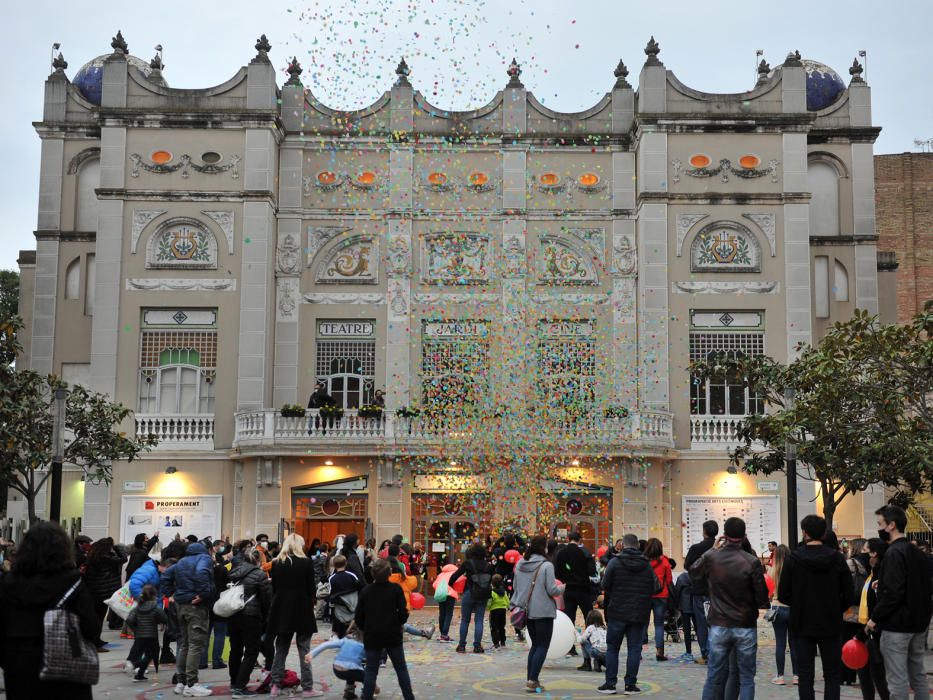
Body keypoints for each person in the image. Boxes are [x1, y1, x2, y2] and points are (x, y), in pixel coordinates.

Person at [0, 522, 99, 699]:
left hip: (20, 666)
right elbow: (91, 627)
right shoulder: (73, 582)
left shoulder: (8, 583)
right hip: (66, 667)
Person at [691, 517, 769, 700]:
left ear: (724, 535)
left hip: (719, 623)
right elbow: (762, 598)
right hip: (745, 624)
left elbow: (693, 571)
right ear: (744, 535)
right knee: (747, 678)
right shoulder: (751, 561)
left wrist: (712, 549)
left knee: (713, 676)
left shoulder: (712, 557)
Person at [778, 515, 852, 700]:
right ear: (824, 533)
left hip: (802, 623)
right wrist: (836, 607)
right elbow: (849, 594)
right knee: (832, 674)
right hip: (831, 623)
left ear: (805, 532)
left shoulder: (793, 558)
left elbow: (783, 594)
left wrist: (800, 603)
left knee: (805, 675)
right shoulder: (837, 558)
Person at [867, 505, 933, 700]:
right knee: (918, 675)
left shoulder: (893, 553)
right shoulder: (918, 554)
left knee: (897, 680)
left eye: (880, 523)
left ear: (891, 525)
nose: (879, 528)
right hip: (918, 623)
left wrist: (874, 618)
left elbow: (893, 593)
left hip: (897, 625)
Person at [599, 533, 658, 695]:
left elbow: (605, 584)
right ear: (638, 546)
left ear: (623, 545)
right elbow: (655, 587)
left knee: (612, 648)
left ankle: (610, 684)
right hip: (639, 612)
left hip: (617, 611)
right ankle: (630, 685)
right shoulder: (647, 565)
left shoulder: (614, 562)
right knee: (634, 649)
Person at [268, 533, 323, 698]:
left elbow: (275, 587)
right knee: (304, 649)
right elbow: (311, 588)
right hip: (302, 608)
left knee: (281, 648)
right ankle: (307, 688)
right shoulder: (306, 562)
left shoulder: (277, 563)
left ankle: (275, 685)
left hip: (282, 608)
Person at [160, 539, 216, 697]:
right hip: (195, 606)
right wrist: (204, 594)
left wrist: (171, 594)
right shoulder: (203, 558)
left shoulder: (182, 561)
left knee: (184, 644)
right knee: (195, 645)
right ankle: (191, 683)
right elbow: (201, 573)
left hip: (181, 605)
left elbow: (165, 577)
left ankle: (181, 682)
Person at [354, 558, 415, 700]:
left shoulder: (366, 591)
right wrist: (400, 622)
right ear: (389, 574)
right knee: (400, 668)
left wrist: (365, 627)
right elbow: (403, 611)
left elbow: (358, 616)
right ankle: (408, 696)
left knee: (371, 669)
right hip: (392, 633)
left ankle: (367, 696)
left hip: (372, 634)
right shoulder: (395, 589)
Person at [513, 534, 565, 693]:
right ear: (544, 547)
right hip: (543, 610)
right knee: (542, 645)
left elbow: (516, 587)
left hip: (526, 610)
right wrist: (563, 587)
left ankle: (531, 678)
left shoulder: (521, 563)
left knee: (535, 645)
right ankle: (533, 679)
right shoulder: (546, 566)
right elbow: (552, 589)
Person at [226, 547, 272, 698]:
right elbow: (266, 599)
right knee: (251, 651)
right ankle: (240, 686)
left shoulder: (234, 572)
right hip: (251, 616)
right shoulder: (259, 575)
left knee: (235, 649)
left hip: (233, 613)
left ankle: (234, 682)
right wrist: (266, 617)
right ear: (258, 560)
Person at [553, 530, 597, 655]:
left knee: (569, 618)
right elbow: (591, 571)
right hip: (583, 588)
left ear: (568, 539)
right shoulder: (585, 552)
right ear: (580, 540)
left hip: (569, 588)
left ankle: (570, 647)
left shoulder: (561, 553)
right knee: (588, 617)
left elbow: (558, 572)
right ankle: (592, 644)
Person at [857, 538, 889, 700]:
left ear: (874, 553)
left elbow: (880, 603)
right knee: (865, 672)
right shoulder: (873, 572)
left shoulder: (881, 574)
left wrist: (871, 624)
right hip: (867, 630)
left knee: (878, 675)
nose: (863, 554)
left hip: (876, 631)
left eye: (865, 550)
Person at [307, 622, 373, 700]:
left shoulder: (345, 640)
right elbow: (370, 661)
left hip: (336, 669)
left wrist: (312, 654)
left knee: (353, 669)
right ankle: (366, 694)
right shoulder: (364, 647)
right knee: (367, 677)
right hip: (351, 670)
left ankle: (349, 693)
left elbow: (326, 644)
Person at [82, 536, 127, 650]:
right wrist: (118, 549)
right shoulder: (105, 557)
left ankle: (96, 640)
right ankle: (96, 642)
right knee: (99, 618)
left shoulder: (93, 556)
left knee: (96, 617)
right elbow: (123, 559)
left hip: (94, 591)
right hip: (103, 591)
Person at [684, 520, 719, 665]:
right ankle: (718, 651)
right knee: (717, 622)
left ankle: (705, 653)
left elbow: (687, 566)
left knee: (701, 623)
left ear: (704, 531)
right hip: (717, 591)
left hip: (699, 590)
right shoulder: (721, 548)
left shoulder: (696, 548)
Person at [448, 543, 493, 653]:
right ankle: (477, 646)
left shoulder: (468, 563)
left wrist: (452, 585)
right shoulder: (488, 565)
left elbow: (454, 576)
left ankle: (462, 645)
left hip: (469, 592)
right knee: (479, 620)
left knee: (465, 620)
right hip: (482, 595)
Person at [767, 544, 797, 686]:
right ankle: (797, 676)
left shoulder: (771, 571)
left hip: (777, 608)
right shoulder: (793, 570)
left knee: (780, 643)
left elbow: (769, 593)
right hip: (792, 609)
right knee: (794, 643)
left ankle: (780, 676)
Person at [125, 583, 168, 681]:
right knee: (150, 655)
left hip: (139, 635)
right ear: (154, 595)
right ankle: (133, 665)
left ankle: (139, 675)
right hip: (152, 635)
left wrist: (135, 629)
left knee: (146, 654)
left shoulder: (137, 607)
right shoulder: (155, 607)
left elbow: (129, 620)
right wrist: (162, 622)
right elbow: (164, 618)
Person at [841, 538, 869, 686]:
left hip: (851, 609)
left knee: (847, 641)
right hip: (867, 609)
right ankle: (864, 674)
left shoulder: (850, 563)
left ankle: (847, 675)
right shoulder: (873, 562)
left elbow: (844, 586)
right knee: (864, 641)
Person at [643, 537, 673, 662]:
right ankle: (659, 652)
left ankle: (637, 651)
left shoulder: (643, 562)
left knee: (642, 624)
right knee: (659, 624)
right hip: (661, 596)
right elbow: (670, 581)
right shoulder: (665, 562)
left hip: (645, 595)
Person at [329, 554, 363, 639]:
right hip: (352, 603)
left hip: (339, 606)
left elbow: (330, 592)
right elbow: (359, 587)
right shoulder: (352, 575)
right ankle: (351, 632)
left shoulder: (332, 578)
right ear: (346, 563)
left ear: (334, 565)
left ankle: (337, 634)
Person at [433, 561, 460, 642]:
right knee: (449, 614)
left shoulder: (440, 575)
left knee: (442, 613)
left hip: (441, 594)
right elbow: (459, 584)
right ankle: (445, 634)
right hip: (450, 595)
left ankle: (442, 634)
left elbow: (434, 585)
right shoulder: (455, 574)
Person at [674, 570, 696, 661]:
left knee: (686, 630)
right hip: (696, 606)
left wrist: (677, 605)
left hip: (685, 605)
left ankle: (688, 651)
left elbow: (677, 592)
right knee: (700, 629)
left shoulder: (682, 577)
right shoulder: (698, 576)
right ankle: (704, 651)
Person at [487, 573, 510, 649]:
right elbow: (507, 600)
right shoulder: (504, 592)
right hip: (502, 610)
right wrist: (508, 606)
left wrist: (488, 608)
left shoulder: (492, 592)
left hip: (494, 611)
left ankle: (496, 642)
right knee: (501, 626)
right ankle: (503, 641)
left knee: (494, 627)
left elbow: (490, 602)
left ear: (492, 583)